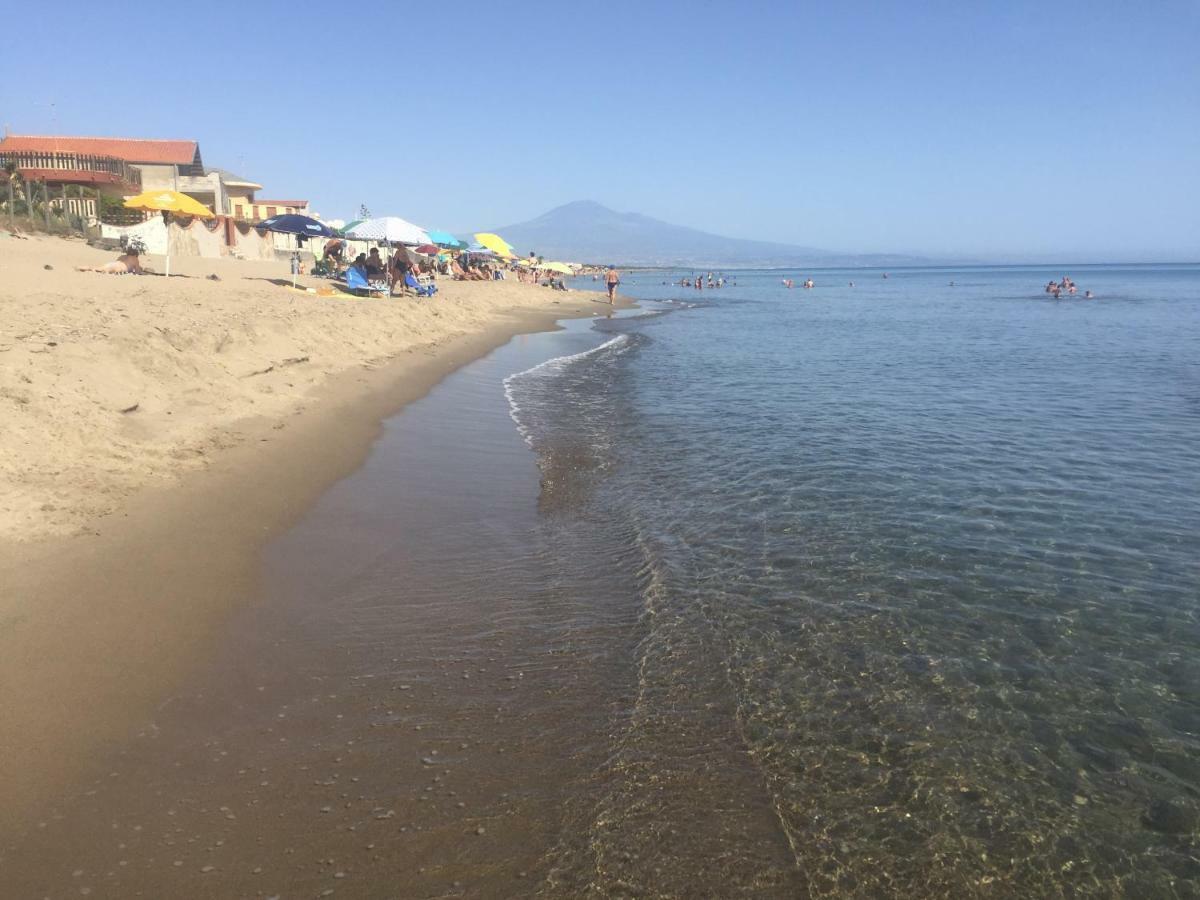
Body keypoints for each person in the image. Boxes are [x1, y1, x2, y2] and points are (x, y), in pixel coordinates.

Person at [76, 250, 145, 275]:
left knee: (99, 268)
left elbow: (118, 262)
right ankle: (85, 268)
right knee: (99, 270)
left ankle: (81, 267)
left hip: (113, 264)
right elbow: (137, 271)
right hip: (118, 268)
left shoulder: (122, 256)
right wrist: (140, 270)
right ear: (136, 255)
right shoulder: (135, 259)